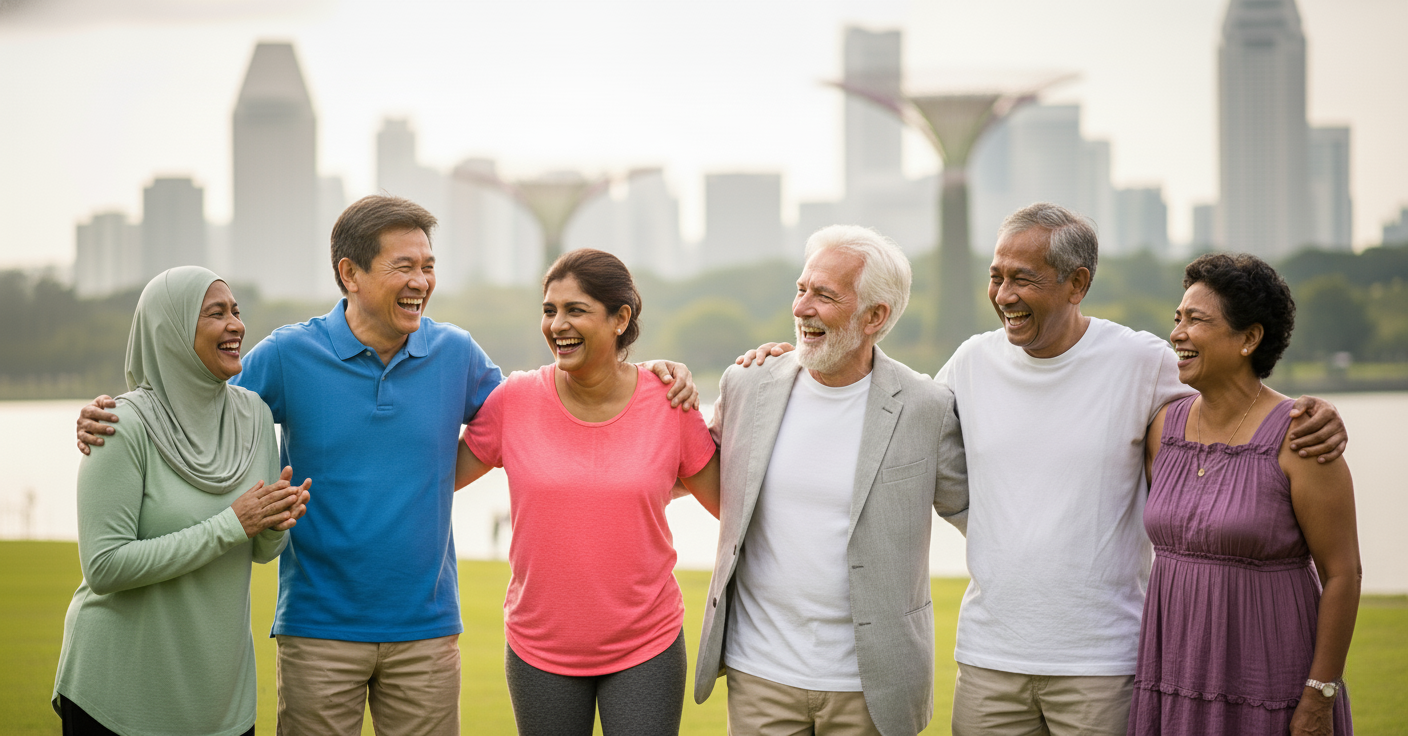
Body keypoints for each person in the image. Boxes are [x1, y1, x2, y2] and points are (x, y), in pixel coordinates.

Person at [73, 196, 699, 734]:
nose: (422, 281)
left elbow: (554, 404)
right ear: (349, 272)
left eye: (429, 266)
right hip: (317, 628)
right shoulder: (289, 355)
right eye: (404, 266)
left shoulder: (454, 353)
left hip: (426, 632)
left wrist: (646, 375)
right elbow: (200, 399)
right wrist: (118, 410)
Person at [740, 203, 1348, 736]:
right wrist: (787, 358)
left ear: (1077, 283)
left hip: (1105, 665)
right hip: (987, 661)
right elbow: (878, 405)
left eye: (1023, 279)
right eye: (996, 276)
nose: (1004, 294)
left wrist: (1310, 413)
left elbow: (1230, 397)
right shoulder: (971, 363)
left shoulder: (1141, 361)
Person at [695, 225, 969, 736]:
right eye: (802, 290)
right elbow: (674, 468)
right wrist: (651, 379)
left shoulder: (926, 407)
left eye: (824, 295)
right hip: (761, 676)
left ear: (875, 316)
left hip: (873, 689)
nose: (802, 308)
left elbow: (980, 518)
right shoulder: (745, 384)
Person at [454, 248, 720, 735]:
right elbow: (433, 480)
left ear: (621, 319)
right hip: (539, 649)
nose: (558, 324)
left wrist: (771, 374)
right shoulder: (514, 400)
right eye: (549, 310)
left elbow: (730, 503)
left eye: (575, 310)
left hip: (647, 645)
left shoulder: (669, 403)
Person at [53, 267, 310, 735]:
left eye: (236, 311)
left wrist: (274, 522)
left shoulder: (255, 415)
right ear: (169, 332)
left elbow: (260, 551)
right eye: (217, 313)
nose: (236, 324)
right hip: (117, 694)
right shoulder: (119, 425)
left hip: (219, 698)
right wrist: (232, 523)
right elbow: (105, 566)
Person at [1131, 253, 1358, 735]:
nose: (1177, 333)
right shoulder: (1161, 428)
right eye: (1177, 318)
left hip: (1271, 679)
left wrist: (1319, 696)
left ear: (1249, 339)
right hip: (1173, 673)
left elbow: (1343, 574)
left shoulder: (1302, 438)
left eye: (1196, 319)